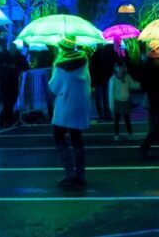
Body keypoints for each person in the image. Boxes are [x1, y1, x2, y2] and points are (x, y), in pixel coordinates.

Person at [48, 37, 91, 186]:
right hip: (79, 105)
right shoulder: (84, 61)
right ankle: (80, 174)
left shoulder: (60, 65)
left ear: (62, 48)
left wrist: (54, 67)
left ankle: (70, 172)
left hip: (65, 106)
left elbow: (54, 87)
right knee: (77, 139)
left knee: (59, 137)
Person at [108, 61, 141, 140]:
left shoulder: (127, 77)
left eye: (122, 67)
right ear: (116, 69)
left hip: (125, 100)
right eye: (119, 68)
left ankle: (130, 133)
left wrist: (141, 84)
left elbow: (133, 84)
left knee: (127, 119)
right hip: (117, 101)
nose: (121, 69)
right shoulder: (113, 79)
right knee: (117, 119)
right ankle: (116, 134)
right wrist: (111, 105)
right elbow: (111, 93)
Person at [88, 38, 117, 122]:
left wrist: (93, 80)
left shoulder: (95, 55)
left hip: (98, 79)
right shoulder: (107, 53)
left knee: (99, 97)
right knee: (105, 97)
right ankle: (107, 113)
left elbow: (92, 68)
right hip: (105, 78)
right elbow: (112, 64)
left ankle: (101, 114)